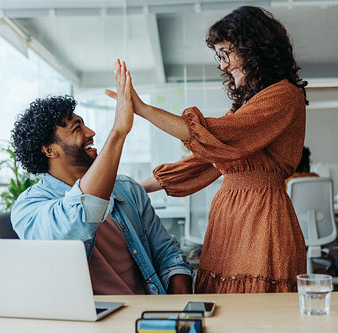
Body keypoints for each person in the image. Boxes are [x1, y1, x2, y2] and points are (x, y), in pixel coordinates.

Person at [106, 6, 307, 293]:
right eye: (219, 56)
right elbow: (204, 160)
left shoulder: (284, 95)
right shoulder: (246, 107)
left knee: (259, 310)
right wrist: (132, 189)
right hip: (231, 213)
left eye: (227, 53)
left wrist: (142, 109)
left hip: (261, 216)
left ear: (253, 47)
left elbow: (211, 136)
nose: (223, 65)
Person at [10, 60, 193, 295]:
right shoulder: (28, 208)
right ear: (49, 150)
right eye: (77, 128)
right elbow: (77, 222)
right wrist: (118, 132)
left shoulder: (128, 189)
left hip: (144, 317)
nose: (91, 133)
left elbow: (168, 255)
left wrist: (179, 308)